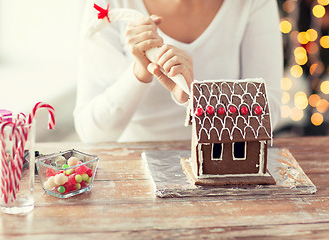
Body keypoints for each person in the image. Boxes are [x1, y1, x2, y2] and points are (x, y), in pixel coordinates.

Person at [74, 0, 283, 142]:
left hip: (221, 170)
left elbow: (268, 114)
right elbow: (91, 132)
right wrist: (140, 71)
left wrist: (195, 98)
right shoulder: (108, 5)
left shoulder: (252, 3)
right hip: (132, 174)